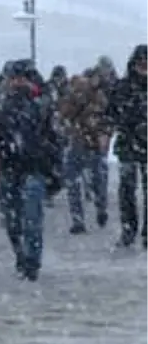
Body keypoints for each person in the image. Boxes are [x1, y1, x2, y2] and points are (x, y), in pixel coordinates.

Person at [0, 60, 59, 280]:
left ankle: (32, 262)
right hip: (9, 169)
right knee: (13, 220)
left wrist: (52, 169)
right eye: (14, 79)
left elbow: (53, 139)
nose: (18, 83)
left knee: (32, 218)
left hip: (33, 169)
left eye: (22, 78)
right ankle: (21, 254)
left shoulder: (41, 107)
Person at [58, 71, 111, 234]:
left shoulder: (99, 98)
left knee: (94, 182)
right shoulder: (73, 99)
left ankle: (94, 211)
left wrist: (104, 135)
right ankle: (80, 218)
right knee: (79, 183)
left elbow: (107, 118)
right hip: (80, 143)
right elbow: (63, 117)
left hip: (90, 144)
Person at [108, 45, 148, 248]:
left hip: (138, 143)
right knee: (127, 190)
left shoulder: (123, 87)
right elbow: (111, 112)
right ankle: (128, 229)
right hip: (128, 144)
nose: (144, 67)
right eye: (141, 63)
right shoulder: (122, 87)